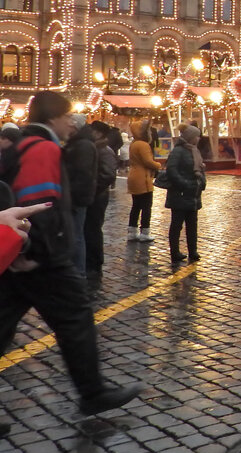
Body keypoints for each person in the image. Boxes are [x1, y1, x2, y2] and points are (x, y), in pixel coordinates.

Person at [0, 92, 144, 428]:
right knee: (76, 318)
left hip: (21, 255)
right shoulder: (43, 149)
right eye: (67, 116)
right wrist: (32, 252)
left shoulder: (21, 145)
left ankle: (92, 391)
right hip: (41, 258)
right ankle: (92, 392)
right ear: (53, 118)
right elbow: (40, 204)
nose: (71, 123)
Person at [164, 124, 206, 263]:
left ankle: (192, 251)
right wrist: (184, 184)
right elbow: (172, 170)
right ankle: (174, 252)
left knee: (192, 225)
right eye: (196, 136)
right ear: (190, 137)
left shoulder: (195, 151)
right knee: (177, 224)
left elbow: (200, 169)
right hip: (180, 194)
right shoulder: (178, 151)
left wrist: (202, 182)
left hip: (193, 194)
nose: (198, 139)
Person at [62, 115, 98, 273]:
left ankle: (78, 272)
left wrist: (71, 195)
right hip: (78, 196)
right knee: (76, 234)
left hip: (77, 197)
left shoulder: (82, 145)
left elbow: (82, 174)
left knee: (76, 235)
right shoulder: (80, 143)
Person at [83, 122, 117, 274]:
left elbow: (108, 174)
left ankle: (95, 261)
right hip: (95, 194)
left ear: (98, 133)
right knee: (90, 228)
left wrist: (93, 189)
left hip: (98, 196)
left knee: (93, 228)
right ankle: (91, 259)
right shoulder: (96, 148)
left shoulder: (104, 150)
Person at [126, 120, 158, 242]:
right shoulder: (143, 145)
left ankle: (132, 231)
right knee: (146, 206)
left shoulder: (134, 143)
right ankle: (145, 232)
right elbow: (148, 161)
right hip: (142, 178)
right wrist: (158, 165)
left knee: (136, 206)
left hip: (134, 176)